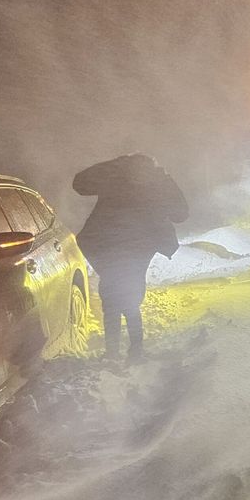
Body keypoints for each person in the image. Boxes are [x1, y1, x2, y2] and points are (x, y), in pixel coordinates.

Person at [72, 153, 188, 360]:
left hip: (107, 244)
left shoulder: (116, 176)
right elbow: (181, 213)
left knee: (113, 296)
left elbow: (79, 184)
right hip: (137, 247)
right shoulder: (155, 180)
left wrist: (113, 164)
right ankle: (134, 350)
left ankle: (115, 351)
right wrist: (165, 177)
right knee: (128, 296)